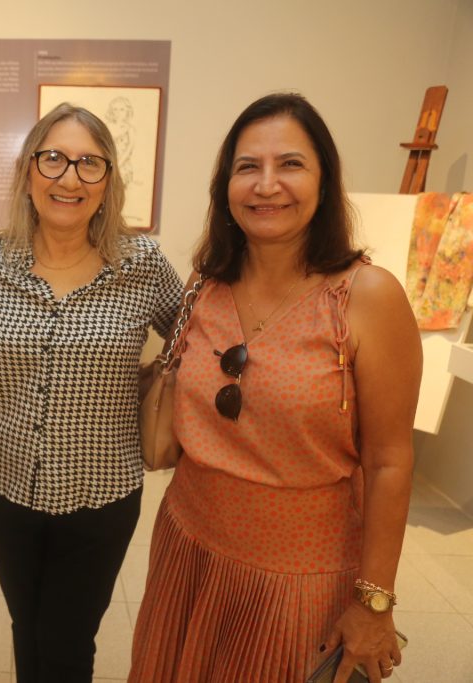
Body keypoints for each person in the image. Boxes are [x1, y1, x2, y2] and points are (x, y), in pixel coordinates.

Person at [128, 93, 421, 683]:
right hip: (189, 546)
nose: (267, 185)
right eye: (247, 167)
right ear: (226, 186)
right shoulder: (205, 285)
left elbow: (390, 461)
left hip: (298, 578)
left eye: (290, 164)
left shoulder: (367, 297)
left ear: (324, 180)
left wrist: (373, 602)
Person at [0, 103, 183, 683]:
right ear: (28, 171)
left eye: (90, 164)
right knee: (25, 627)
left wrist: (153, 375)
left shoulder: (143, 266)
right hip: (2, 485)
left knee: (67, 642)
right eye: (54, 159)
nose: (69, 178)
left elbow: (195, 340)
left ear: (109, 180)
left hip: (101, 495)